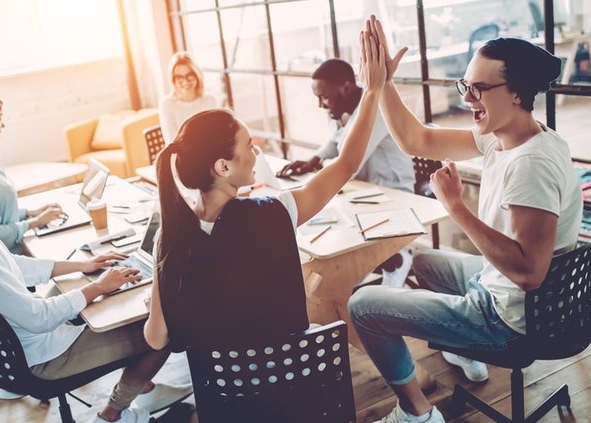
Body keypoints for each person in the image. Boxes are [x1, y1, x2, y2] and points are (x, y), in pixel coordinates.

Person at [348, 17, 583, 423]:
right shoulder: (508, 135)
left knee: (363, 306)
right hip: (512, 293)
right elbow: (416, 140)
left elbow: (529, 273)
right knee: (423, 262)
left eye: (480, 89)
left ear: (516, 93)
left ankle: (416, 414)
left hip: (510, 318)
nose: (468, 97)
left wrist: (456, 207)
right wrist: (383, 82)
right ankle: (460, 348)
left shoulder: (530, 165)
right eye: (465, 85)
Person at [142, 19, 385, 389]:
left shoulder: (171, 236)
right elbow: (347, 164)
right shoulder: (274, 212)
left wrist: (159, 298)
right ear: (223, 167)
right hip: (292, 387)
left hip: (226, 398)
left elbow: (156, 339)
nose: (256, 153)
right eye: (247, 147)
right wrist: (374, 91)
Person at [0, 110, 191, 423]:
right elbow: (38, 317)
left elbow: (5, 266)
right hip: (44, 357)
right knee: (164, 331)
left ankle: (136, 391)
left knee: (109, 304)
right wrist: (97, 287)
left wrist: (80, 265)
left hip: (17, 348)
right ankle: (113, 414)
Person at [278, 58, 416, 287]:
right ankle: (354, 275)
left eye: (324, 97)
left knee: (331, 222)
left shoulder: (376, 110)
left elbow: (351, 163)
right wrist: (313, 159)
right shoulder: (339, 108)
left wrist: (319, 175)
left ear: (346, 87)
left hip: (392, 192)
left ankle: (393, 259)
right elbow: (336, 139)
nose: (321, 104)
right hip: (363, 190)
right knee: (327, 223)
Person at [0, 90, 63, 253]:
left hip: (19, 244)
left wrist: (30, 213)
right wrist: (35, 221)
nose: (3, 124)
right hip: (12, 256)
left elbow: (1, 211)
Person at [158, 51, 217, 144]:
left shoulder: (209, 100)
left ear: (197, 76)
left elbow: (214, 136)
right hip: (179, 157)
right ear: (173, 80)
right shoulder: (167, 105)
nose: (185, 82)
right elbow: (172, 143)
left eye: (190, 76)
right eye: (179, 77)